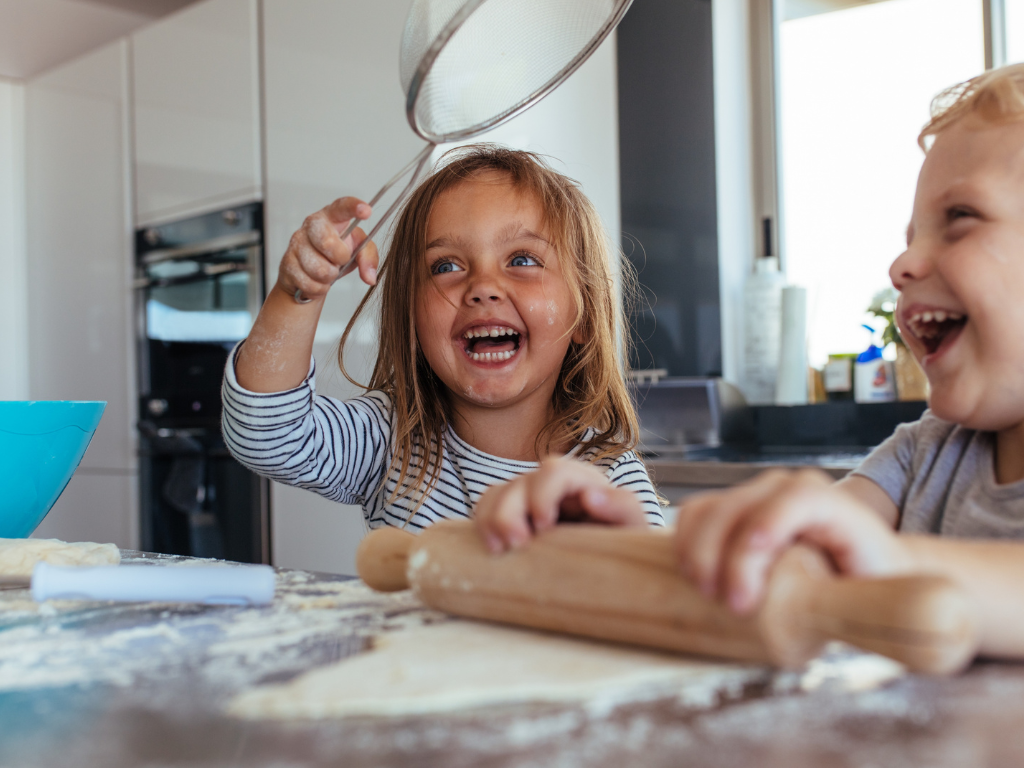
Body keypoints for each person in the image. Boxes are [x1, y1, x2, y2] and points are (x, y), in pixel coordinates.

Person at [479, 63, 1024, 659]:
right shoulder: (923, 455)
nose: (902, 265)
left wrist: (894, 562)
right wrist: (628, 553)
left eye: (960, 218)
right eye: (911, 237)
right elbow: (785, 565)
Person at [221, 145, 664, 540]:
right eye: (445, 266)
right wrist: (298, 294)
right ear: (411, 318)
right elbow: (266, 435)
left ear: (583, 315)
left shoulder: (609, 480)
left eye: (522, 259)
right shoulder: (393, 440)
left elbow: (655, 597)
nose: (483, 286)